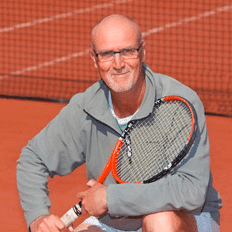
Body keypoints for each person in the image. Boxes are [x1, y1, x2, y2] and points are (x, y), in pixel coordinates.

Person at [17, 14, 222, 232]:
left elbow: (191, 191)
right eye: (106, 54)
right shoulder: (86, 107)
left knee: (160, 222)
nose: (118, 63)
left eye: (127, 51)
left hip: (185, 218)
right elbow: (33, 157)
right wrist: (38, 216)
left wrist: (110, 198)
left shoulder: (180, 102)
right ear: (94, 59)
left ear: (143, 52)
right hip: (114, 222)